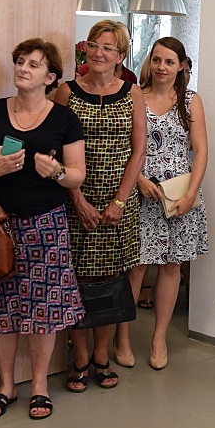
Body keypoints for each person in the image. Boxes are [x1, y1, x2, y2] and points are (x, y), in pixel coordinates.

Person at [0, 39, 85, 421]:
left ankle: (39, 385)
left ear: (50, 77)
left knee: (44, 307)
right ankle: (5, 385)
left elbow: (77, 176)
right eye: (20, 61)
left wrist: (56, 172)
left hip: (46, 223)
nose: (23, 68)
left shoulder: (64, 120)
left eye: (33, 64)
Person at [55, 20, 146, 387]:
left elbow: (139, 150)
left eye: (108, 47)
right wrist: (77, 199)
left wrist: (120, 201)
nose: (98, 52)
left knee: (110, 279)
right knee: (76, 278)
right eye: (93, 45)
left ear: (120, 56)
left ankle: (101, 355)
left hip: (118, 202)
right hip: (75, 197)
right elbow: (55, 148)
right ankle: (79, 356)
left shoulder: (132, 93)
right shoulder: (67, 91)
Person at [129, 37, 208, 370]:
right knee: (135, 266)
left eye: (169, 62)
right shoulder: (135, 95)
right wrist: (138, 180)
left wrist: (191, 193)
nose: (162, 67)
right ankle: (121, 337)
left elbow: (201, 151)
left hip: (178, 196)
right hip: (140, 193)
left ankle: (158, 338)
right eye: (157, 60)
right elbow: (126, 147)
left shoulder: (190, 101)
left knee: (172, 266)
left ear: (181, 66)